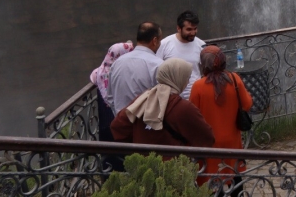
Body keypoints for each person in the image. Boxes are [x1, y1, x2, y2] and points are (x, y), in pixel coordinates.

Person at [111, 58, 215, 149]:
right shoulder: (183, 108)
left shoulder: (142, 99)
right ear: (178, 78)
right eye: (186, 78)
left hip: (141, 166)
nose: (187, 82)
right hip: (172, 168)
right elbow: (206, 139)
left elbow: (118, 127)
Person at [190, 46, 253, 188]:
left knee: (211, 180)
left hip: (210, 142)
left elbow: (192, 115)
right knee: (235, 176)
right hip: (232, 140)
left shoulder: (198, 86)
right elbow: (247, 104)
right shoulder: (234, 79)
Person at [90, 40, 134, 172]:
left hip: (105, 120)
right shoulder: (123, 72)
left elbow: (93, 77)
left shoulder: (100, 72)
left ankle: (108, 175)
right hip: (120, 117)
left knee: (108, 152)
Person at [108, 22, 163, 114]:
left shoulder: (117, 63)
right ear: (155, 40)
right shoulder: (158, 64)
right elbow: (163, 99)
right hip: (146, 124)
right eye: (159, 41)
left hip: (121, 123)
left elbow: (110, 97)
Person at [156, 10, 206, 99]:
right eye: (189, 29)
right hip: (172, 97)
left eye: (195, 29)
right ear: (178, 28)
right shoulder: (164, 44)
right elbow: (156, 70)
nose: (193, 33)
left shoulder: (201, 45)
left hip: (196, 95)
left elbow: (207, 71)